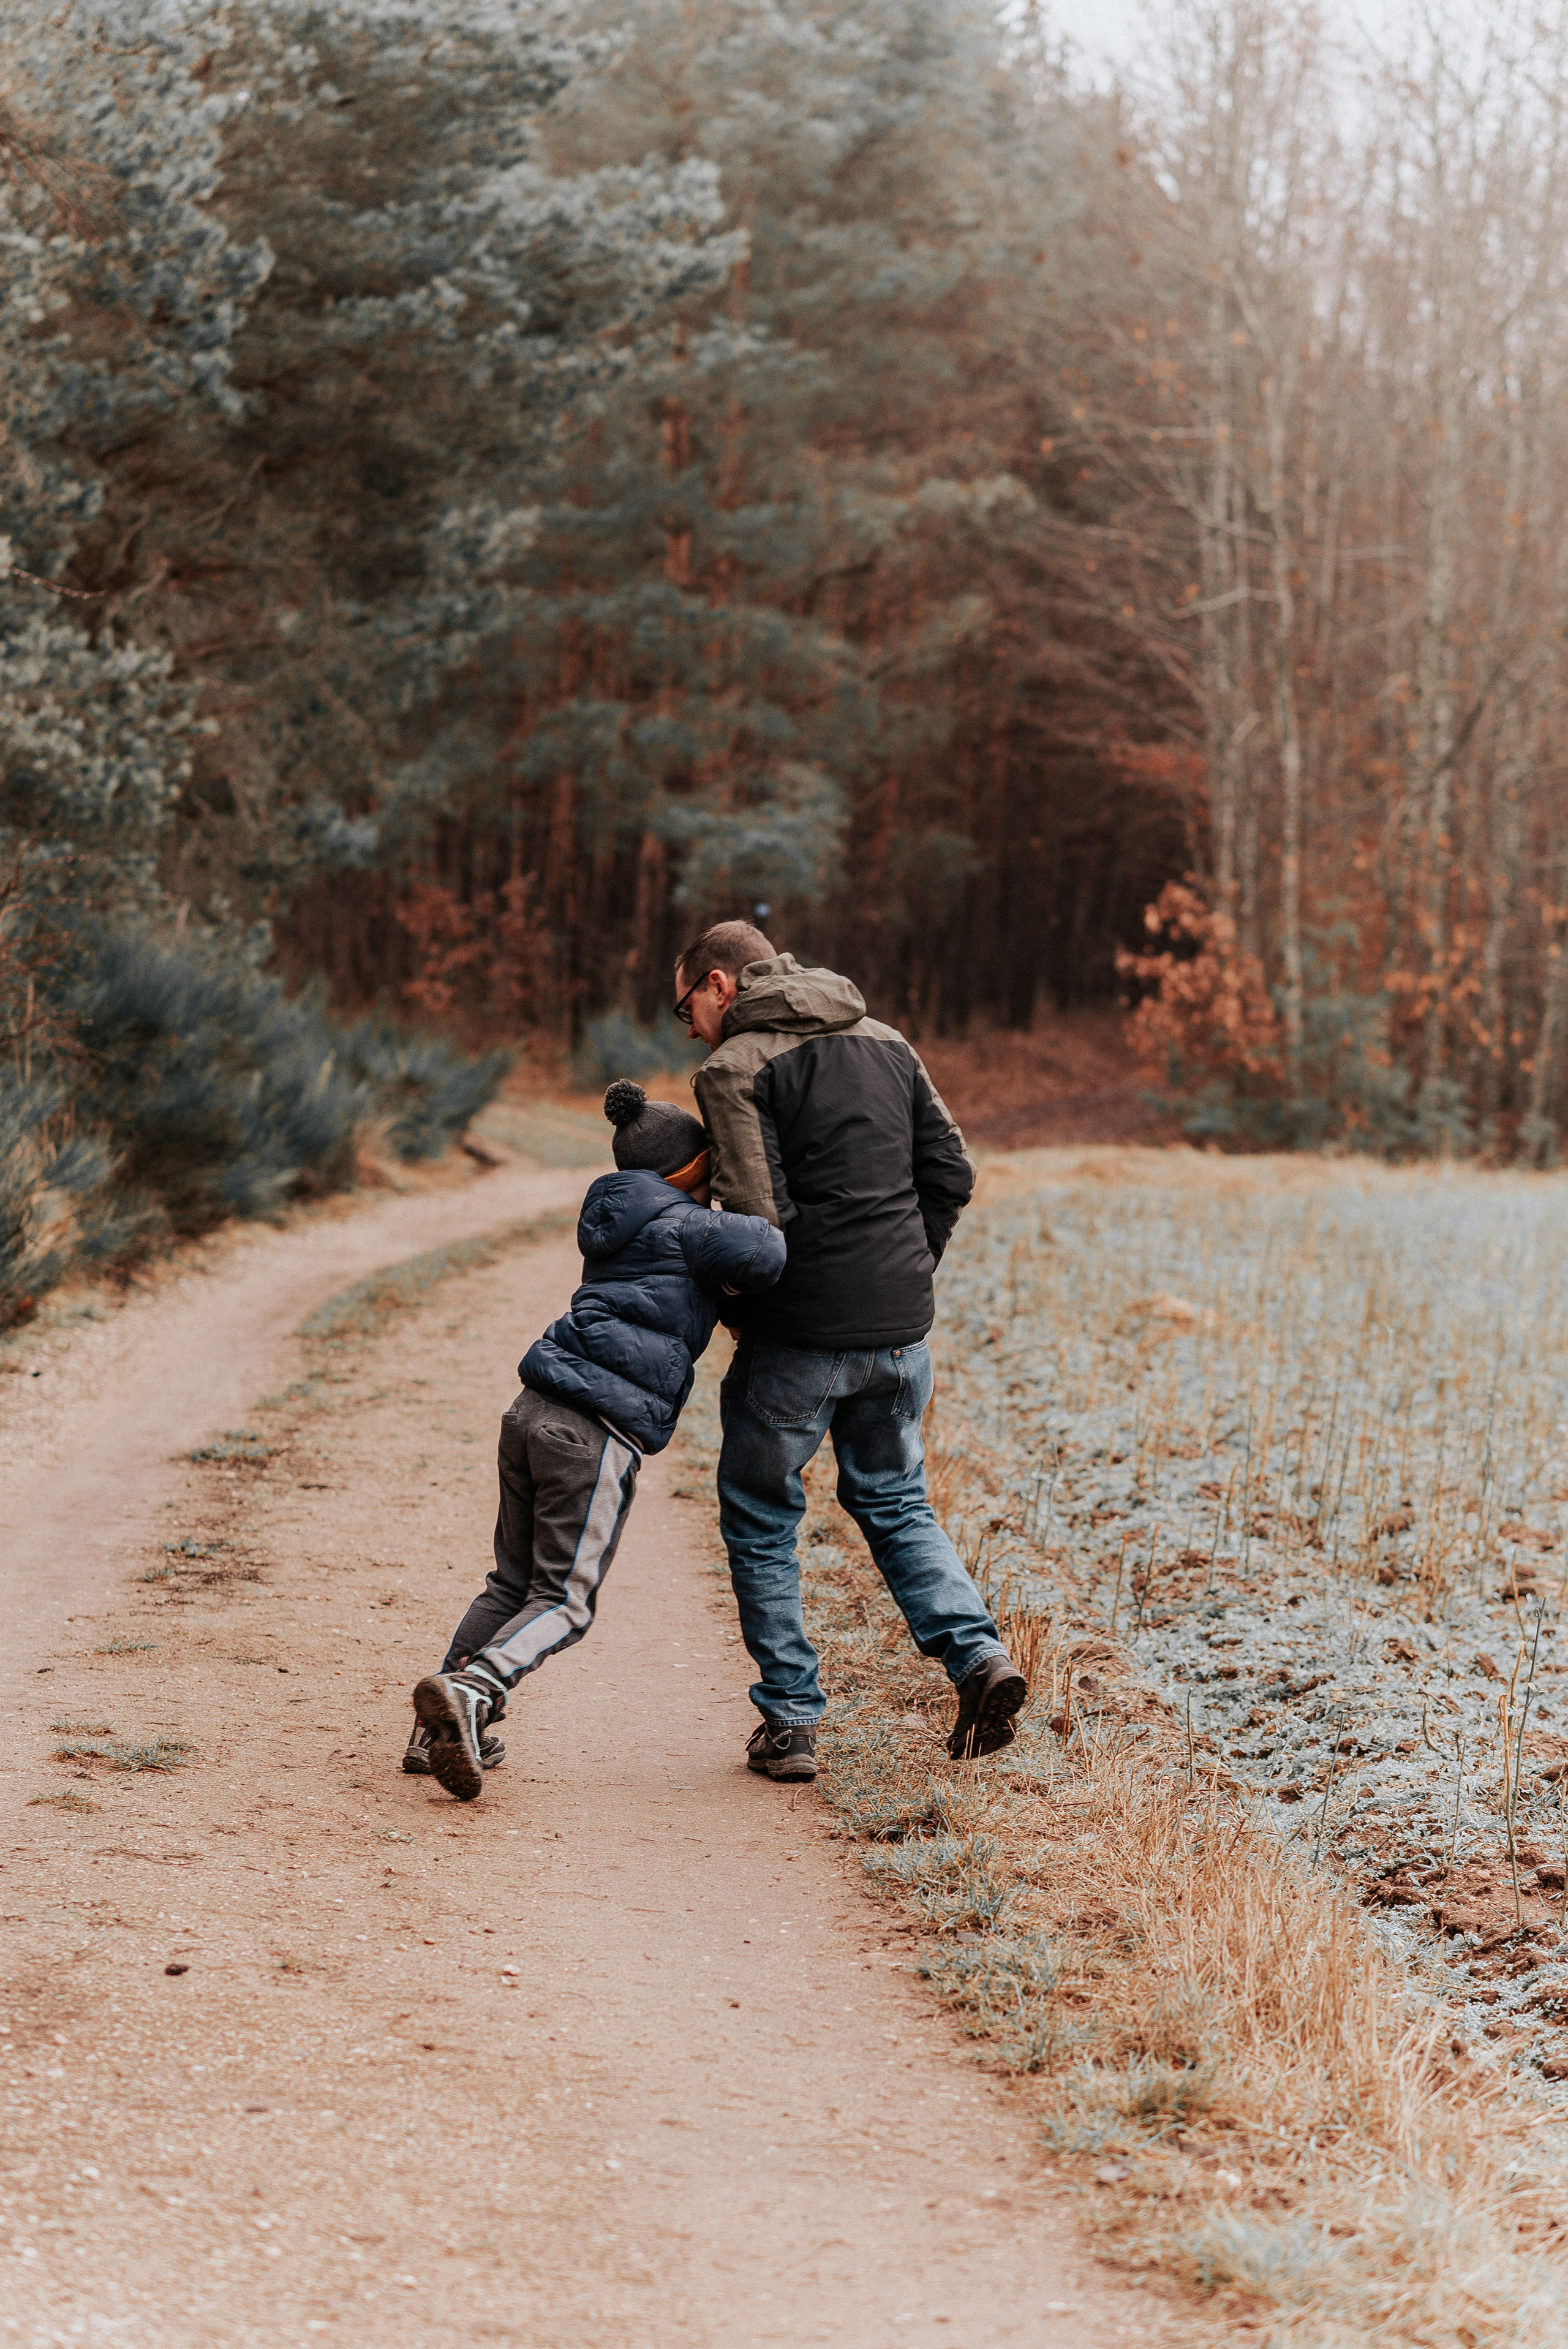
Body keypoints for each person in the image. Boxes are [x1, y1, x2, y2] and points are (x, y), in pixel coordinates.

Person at [677, 919, 1026, 1783]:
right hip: (902, 1332)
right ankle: (978, 1656)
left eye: (684, 1004)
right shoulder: (888, 1040)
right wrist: (903, 1272)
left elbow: (757, 1223)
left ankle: (791, 1722)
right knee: (898, 1500)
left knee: (762, 1515)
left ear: (721, 984)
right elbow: (954, 1173)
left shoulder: (732, 1067)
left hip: (799, 1335)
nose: (685, 1025)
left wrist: (729, 1307)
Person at [407, 1078, 786, 1801]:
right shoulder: (688, 1224)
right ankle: (474, 1691)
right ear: (685, 1170)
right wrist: (737, 1181)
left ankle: (435, 1731)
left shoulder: (618, 1216)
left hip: (530, 1409)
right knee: (564, 1600)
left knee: (510, 1583)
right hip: (593, 1432)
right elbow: (767, 1251)